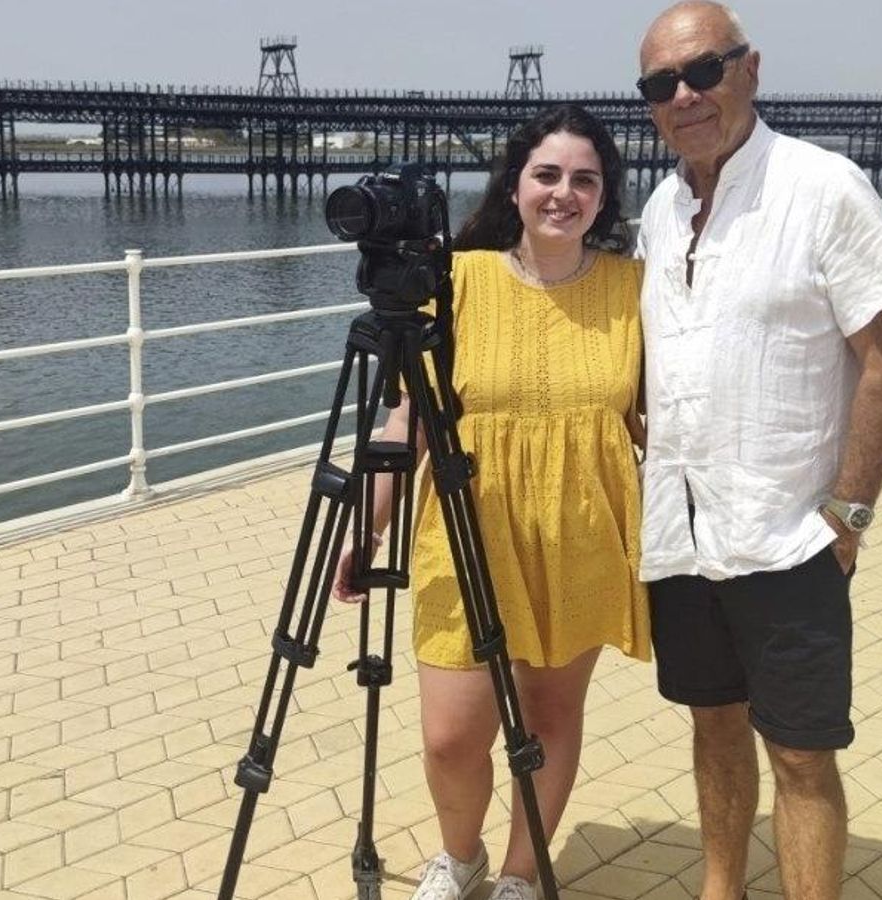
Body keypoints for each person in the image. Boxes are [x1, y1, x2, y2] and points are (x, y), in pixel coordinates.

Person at [633, 4, 882, 900]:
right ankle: (723, 889)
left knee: (801, 753)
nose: (683, 96)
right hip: (682, 532)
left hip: (788, 531)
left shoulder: (823, 185)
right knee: (712, 726)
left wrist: (851, 509)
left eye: (702, 71)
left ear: (749, 69)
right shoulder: (660, 204)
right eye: (659, 85)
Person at [332, 104, 650, 900]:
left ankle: (520, 873)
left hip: (579, 532)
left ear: (605, 196)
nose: (563, 194)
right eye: (547, 174)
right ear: (516, 185)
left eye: (585, 180)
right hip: (467, 529)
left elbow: (659, 416)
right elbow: (408, 419)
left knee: (549, 718)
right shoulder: (457, 281)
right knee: (450, 735)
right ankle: (461, 855)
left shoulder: (633, 289)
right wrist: (363, 528)